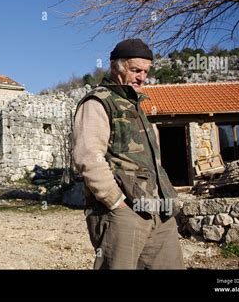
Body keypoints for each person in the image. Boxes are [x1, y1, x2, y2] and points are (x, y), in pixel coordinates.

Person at [72, 39, 185, 269]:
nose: (142, 77)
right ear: (116, 67)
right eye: (135, 70)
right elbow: (87, 156)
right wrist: (116, 202)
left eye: (145, 71)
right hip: (123, 214)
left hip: (159, 212)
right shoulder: (98, 102)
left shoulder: (136, 106)